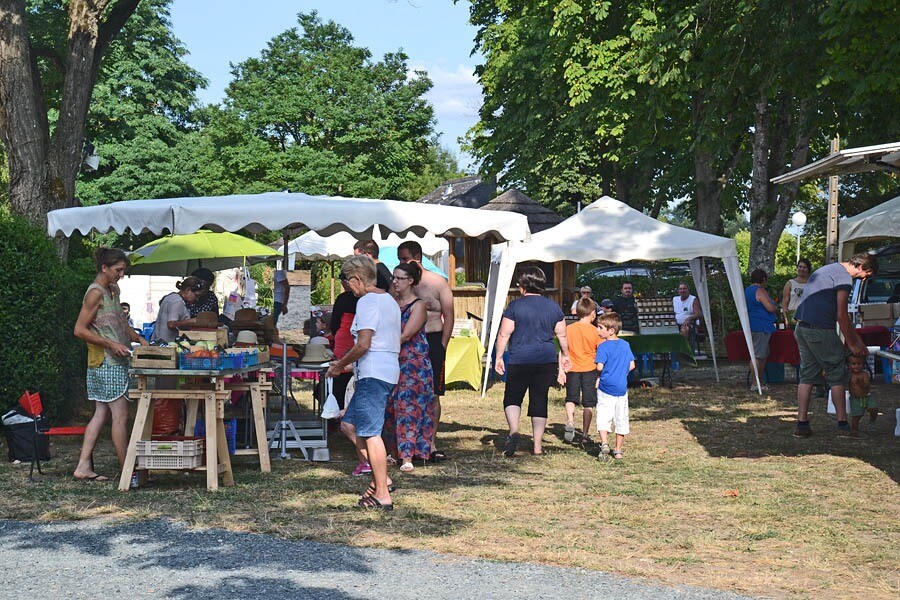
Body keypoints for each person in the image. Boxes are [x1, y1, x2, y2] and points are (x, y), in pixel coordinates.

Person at [326, 255, 400, 510]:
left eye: (348, 281)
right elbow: (380, 343)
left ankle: (382, 493)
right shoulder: (388, 300)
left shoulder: (367, 301)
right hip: (383, 369)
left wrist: (338, 364)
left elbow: (364, 343)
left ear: (357, 278)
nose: (348, 287)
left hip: (374, 374)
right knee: (348, 425)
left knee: (370, 433)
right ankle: (384, 479)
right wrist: (348, 366)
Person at [73, 248, 149, 483]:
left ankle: (83, 466)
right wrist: (109, 343)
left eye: (123, 270)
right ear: (104, 268)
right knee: (120, 415)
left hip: (114, 360)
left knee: (101, 413)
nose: (121, 275)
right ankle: (129, 471)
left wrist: (137, 338)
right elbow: (79, 330)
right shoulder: (95, 293)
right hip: (105, 362)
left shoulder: (113, 289)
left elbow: (118, 320)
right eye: (118, 270)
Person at [793, 252, 877, 437]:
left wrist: (856, 340)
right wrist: (852, 344)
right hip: (820, 329)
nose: (863, 279)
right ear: (863, 267)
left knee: (807, 374)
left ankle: (802, 424)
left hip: (801, 327)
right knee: (837, 372)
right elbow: (841, 315)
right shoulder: (844, 278)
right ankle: (842, 424)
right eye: (866, 275)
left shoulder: (828, 269)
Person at [494, 266, 570, 457]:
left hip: (520, 359)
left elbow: (504, 333)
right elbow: (562, 335)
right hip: (545, 360)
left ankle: (513, 431)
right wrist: (566, 356)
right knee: (539, 399)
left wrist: (499, 356)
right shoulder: (553, 307)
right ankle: (537, 446)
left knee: (513, 397)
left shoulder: (515, 306)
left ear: (523, 286)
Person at [397, 240, 453, 462]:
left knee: (433, 394)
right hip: (408, 344)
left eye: (404, 258)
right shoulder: (401, 284)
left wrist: (443, 344)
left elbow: (448, 314)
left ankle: (430, 442)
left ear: (416, 257)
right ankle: (405, 441)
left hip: (433, 338)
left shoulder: (437, 282)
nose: (401, 263)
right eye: (399, 259)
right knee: (404, 393)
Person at [383, 262, 435, 472]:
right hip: (392, 361)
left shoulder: (419, 305)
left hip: (413, 365)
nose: (394, 281)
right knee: (390, 407)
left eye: (399, 278)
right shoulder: (391, 303)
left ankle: (408, 455)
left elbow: (405, 335)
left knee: (409, 409)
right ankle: (393, 451)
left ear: (410, 281)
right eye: (393, 278)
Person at [558, 296, 600, 445]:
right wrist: (600, 375)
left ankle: (570, 421)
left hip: (572, 368)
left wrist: (561, 370)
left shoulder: (569, 329)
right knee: (588, 403)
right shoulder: (596, 332)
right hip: (590, 369)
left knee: (571, 399)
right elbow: (600, 353)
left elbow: (562, 351)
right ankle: (585, 433)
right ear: (593, 313)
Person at [594, 312, 636, 460]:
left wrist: (601, 374)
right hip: (621, 388)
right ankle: (618, 450)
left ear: (611, 330)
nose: (597, 330)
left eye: (600, 327)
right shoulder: (626, 345)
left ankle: (604, 443)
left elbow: (599, 367)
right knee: (621, 418)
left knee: (604, 415)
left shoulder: (603, 347)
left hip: (606, 387)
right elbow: (632, 365)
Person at [745, 269, 778, 390]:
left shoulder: (747, 290)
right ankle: (755, 383)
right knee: (758, 356)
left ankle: (759, 381)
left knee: (762, 354)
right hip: (760, 326)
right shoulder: (759, 290)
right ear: (763, 279)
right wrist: (775, 307)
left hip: (752, 324)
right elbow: (769, 307)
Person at [152, 277, 202, 343]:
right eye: (196, 295)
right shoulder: (178, 301)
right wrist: (190, 321)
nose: (197, 299)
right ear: (188, 290)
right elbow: (171, 324)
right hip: (167, 344)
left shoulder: (171, 297)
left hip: (157, 341)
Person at [847, 354, 875, 435]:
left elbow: (867, 385)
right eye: (853, 364)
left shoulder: (864, 374)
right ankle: (854, 429)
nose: (856, 366)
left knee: (873, 408)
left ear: (863, 365)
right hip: (855, 398)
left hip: (867, 396)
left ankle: (872, 421)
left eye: (859, 364)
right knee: (856, 416)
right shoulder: (849, 375)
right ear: (849, 365)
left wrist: (861, 383)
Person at [781, 258, 812, 326]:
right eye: (800, 267)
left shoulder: (812, 284)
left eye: (804, 267)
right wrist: (786, 318)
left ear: (808, 269)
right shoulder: (790, 283)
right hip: (793, 317)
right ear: (797, 268)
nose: (802, 269)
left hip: (808, 317)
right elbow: (784, 302)